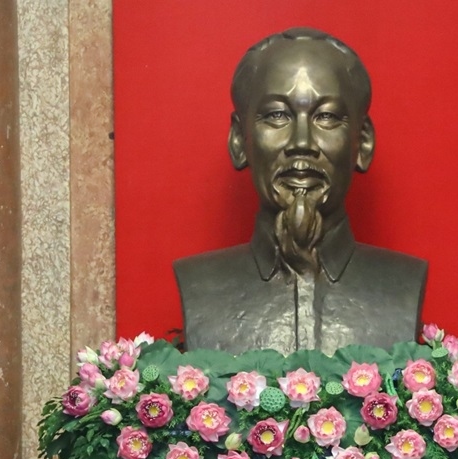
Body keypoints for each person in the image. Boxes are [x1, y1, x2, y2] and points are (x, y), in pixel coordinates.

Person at [175, 27, 426, 355]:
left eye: (327, 117)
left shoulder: (403, 283)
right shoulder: (200, 285)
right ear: (239, 140)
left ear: (362, 142)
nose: (302, 143)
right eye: (277, 116)